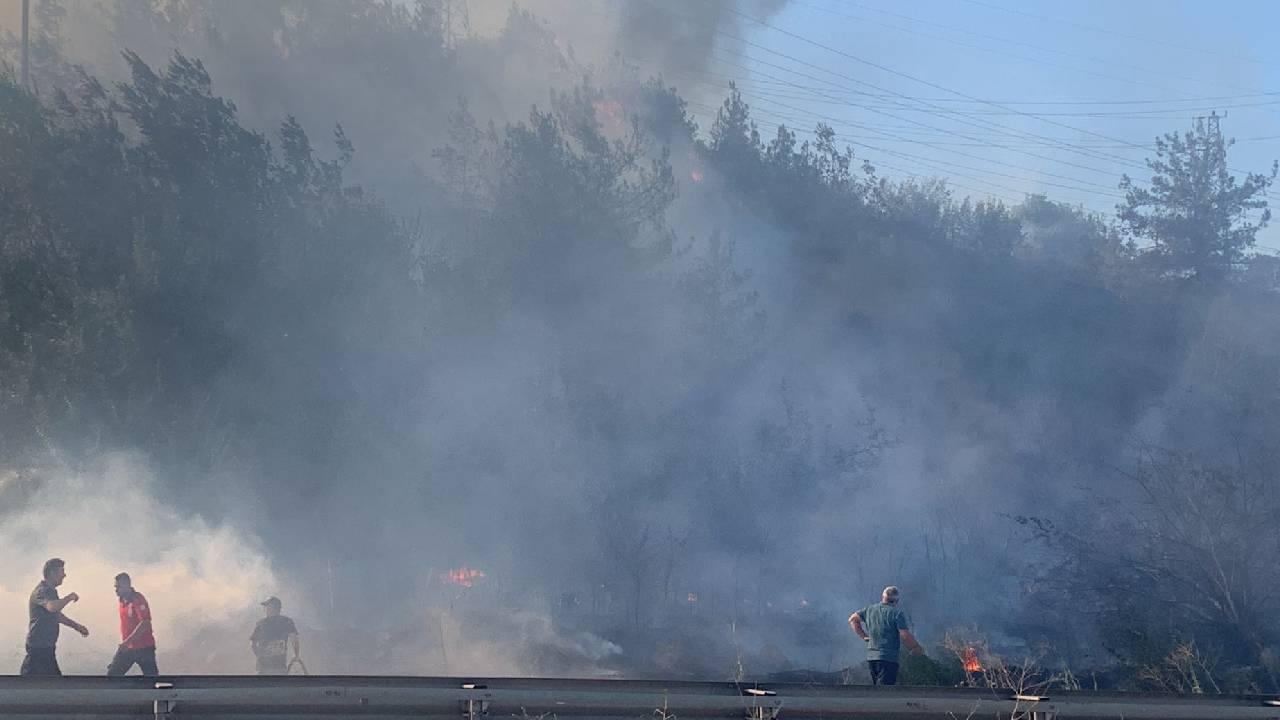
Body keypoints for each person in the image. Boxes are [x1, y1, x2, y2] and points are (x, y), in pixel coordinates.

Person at [20, 558, 89, 676]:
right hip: (38, 647)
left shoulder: (51, 592)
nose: (64, 575)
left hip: (46, 647)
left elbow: (57, 616)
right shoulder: (41, 591)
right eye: (62, 571)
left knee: (49, 683)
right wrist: (69, 597)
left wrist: (77, 627)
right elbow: (52, 607)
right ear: (52, 573)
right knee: (33, 684)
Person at [848, 585, 924, 686]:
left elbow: (852, 619)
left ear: (882, 597)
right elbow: (904, 634)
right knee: (885, 693)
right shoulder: (896, 613)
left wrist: (864, 636)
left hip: (871, 658)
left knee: (876, 691)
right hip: (888, 658)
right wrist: (915, 647)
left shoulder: (869, 609)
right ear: (896, 601)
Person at [107, 572, 158, 676]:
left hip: (144, 648)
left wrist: (127, 641)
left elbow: (145, 623)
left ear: (127, 586)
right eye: (115, 587)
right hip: (128, 648)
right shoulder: (122, 601)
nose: (116, 590)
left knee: (151, 679)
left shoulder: (137, 599)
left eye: (119, 587)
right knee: (112, 675)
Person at [250, 596, 299, 674]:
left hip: (263, 668)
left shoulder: (261, 623)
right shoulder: (287, 622)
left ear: (272, 608)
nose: (265, 609)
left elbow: (253, 644)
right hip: (279, 666)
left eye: (266, 607)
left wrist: (259, 656)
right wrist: (296, 655)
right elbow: (294, 640)